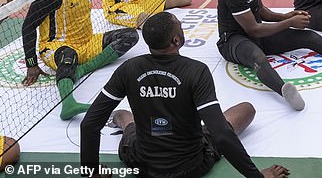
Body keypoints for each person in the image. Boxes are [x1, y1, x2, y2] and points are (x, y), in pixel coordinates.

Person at [80, 12, 289, 178]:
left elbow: (89, 123)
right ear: (176, 40)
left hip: (141, 161)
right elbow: (222, 134)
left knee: (128, 119)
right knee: (246, 109)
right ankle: (128, 121)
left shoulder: (129, 68)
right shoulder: (196, 71)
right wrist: (257, 176)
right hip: (190, 165)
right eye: (180, 26)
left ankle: (122, 120)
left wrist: (92, 172)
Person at [22, 0, 138, 119]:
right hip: (58, 47)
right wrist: (31, 64)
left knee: (130, 36)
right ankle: (68, 105)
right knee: (68, 55)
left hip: (87, 43)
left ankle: (82, 69)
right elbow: (28, 26)